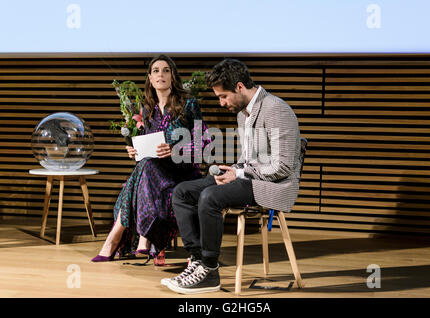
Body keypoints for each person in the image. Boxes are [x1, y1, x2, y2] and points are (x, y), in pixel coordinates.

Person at [162, 58, 302, 294]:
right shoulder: (242, 113)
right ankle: (197, 260)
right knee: (182, 192)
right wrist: (232, 170)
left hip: (273, 184)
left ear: (239, 86)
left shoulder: (276, 109)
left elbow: (283, 167)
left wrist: (239, 172)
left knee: (209, 196)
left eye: (223, 96)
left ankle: (209, 269)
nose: (221, 102)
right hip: (249, 176)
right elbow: (249, 158)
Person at [91, 55, 209, 264]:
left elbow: (204, 144)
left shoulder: (188, 103)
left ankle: (116, 238)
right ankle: (142, 239)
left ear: (173, 76)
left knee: (137, 177)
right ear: (150, 78)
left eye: (165, 70)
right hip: (154, 172)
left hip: (183, 172)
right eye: (156, 71)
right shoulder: (147, 109)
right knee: (144, 164)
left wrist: (175, 150)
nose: (160, 74)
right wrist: (135, 151)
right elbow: (148, 148)